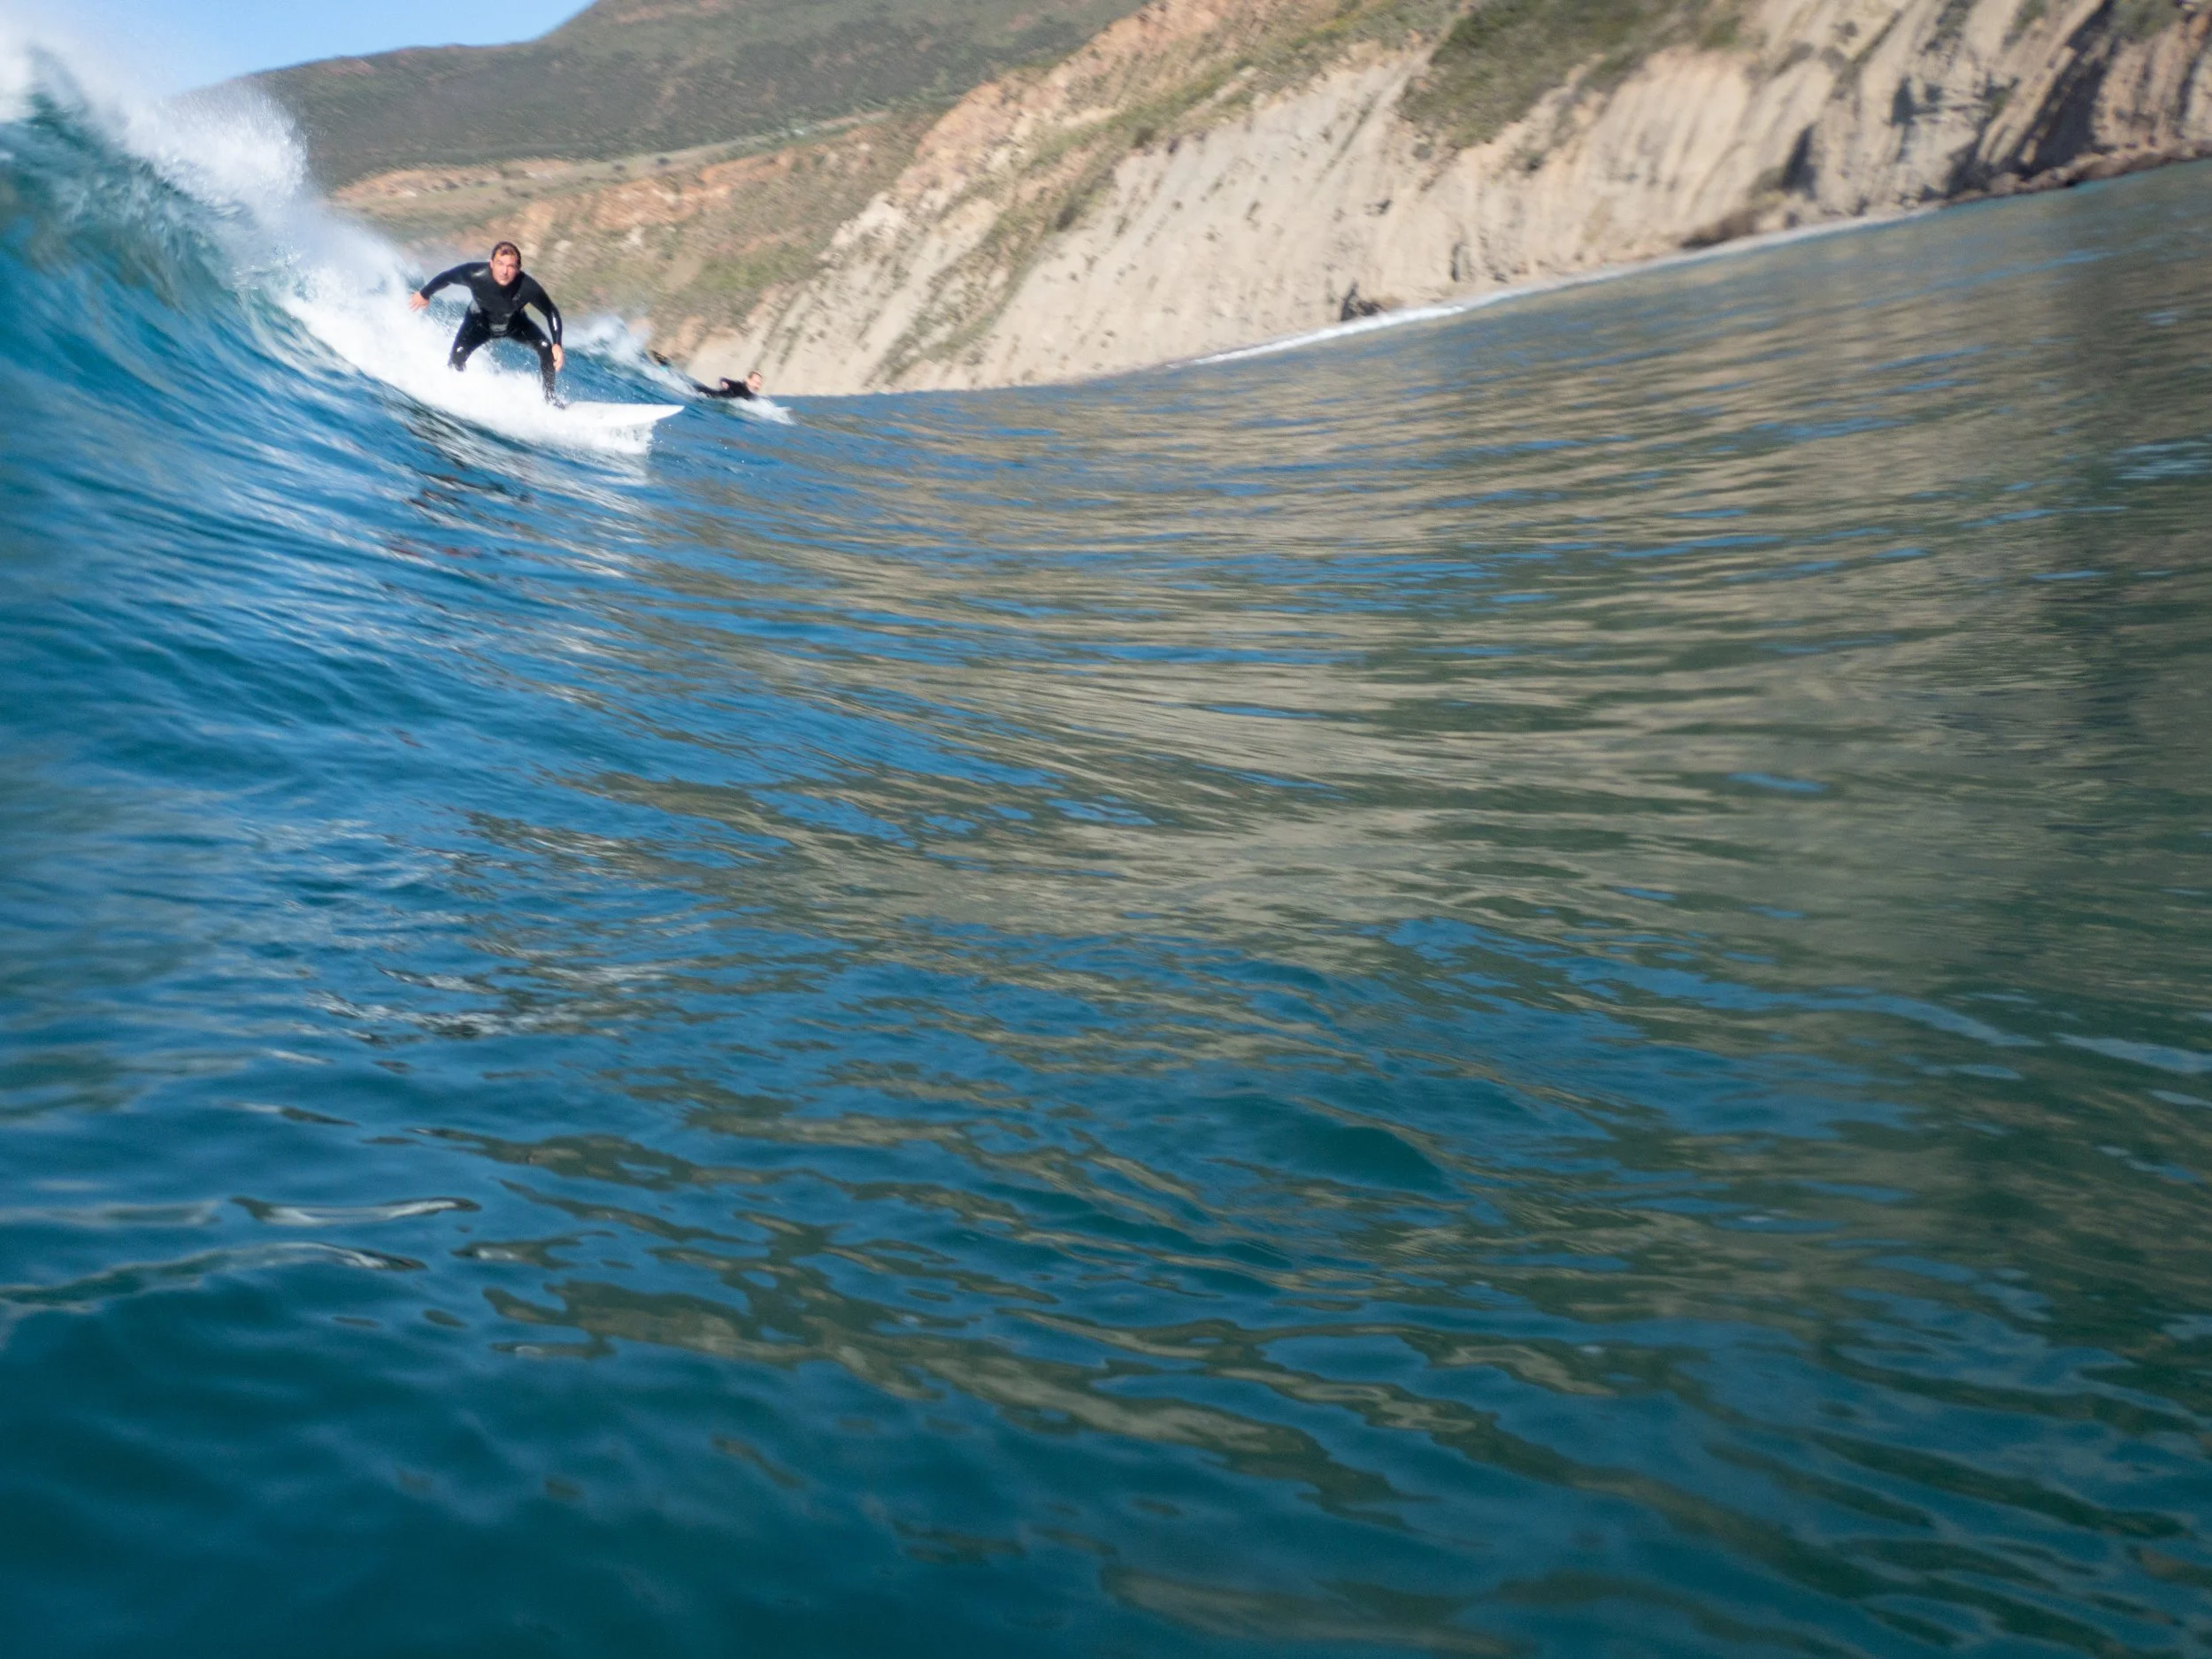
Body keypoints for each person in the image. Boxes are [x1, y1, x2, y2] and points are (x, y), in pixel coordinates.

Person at [409, 242, 565, 402]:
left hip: (515, 324)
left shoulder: (527, 286)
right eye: (500, 264)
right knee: (457, 357)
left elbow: (550, 311)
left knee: (546, 348)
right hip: (478, 324)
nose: (505, 271)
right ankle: (454, 396)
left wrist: (557, 343)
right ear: (491, 264)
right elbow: (447, 277)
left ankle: (550, 400)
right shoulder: (474, 274)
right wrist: (424, 294)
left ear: (518, 269)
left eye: (511, 266)